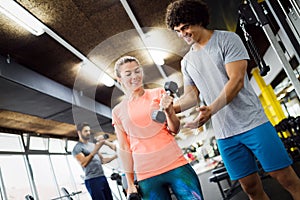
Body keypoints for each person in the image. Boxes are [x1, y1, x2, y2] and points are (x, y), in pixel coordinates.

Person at [165, 0, 300, 199]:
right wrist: (171, 108)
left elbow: (236, 81)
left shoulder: (227, 40)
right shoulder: (187, 62)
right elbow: (192, 97)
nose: (182, 34)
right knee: (251, 188)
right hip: (225, 134)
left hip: (253, 123)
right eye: (177, 30)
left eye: (185, 27)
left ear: (198, 21)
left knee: (284, 177)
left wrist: (211, 109)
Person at [112, 56, 203, 200]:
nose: (134, 76)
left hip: (175, 164)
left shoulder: (159, 94)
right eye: (128, 74)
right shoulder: (118, 111)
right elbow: (124, 147)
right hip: (146, 174)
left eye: (137, 71)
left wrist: (169, 111)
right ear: (119, 78)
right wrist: (130, 183)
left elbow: (175, 129)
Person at [72, 122, 117, 200]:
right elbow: (83, 163)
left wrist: (116, 156)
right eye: (86, 131)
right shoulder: (77, 148)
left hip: (102, 177)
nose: (88, 133)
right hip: (92, 180)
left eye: (89, 131)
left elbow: (102, 160)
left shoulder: (92, 145)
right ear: (79, 132)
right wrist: (97, 148)